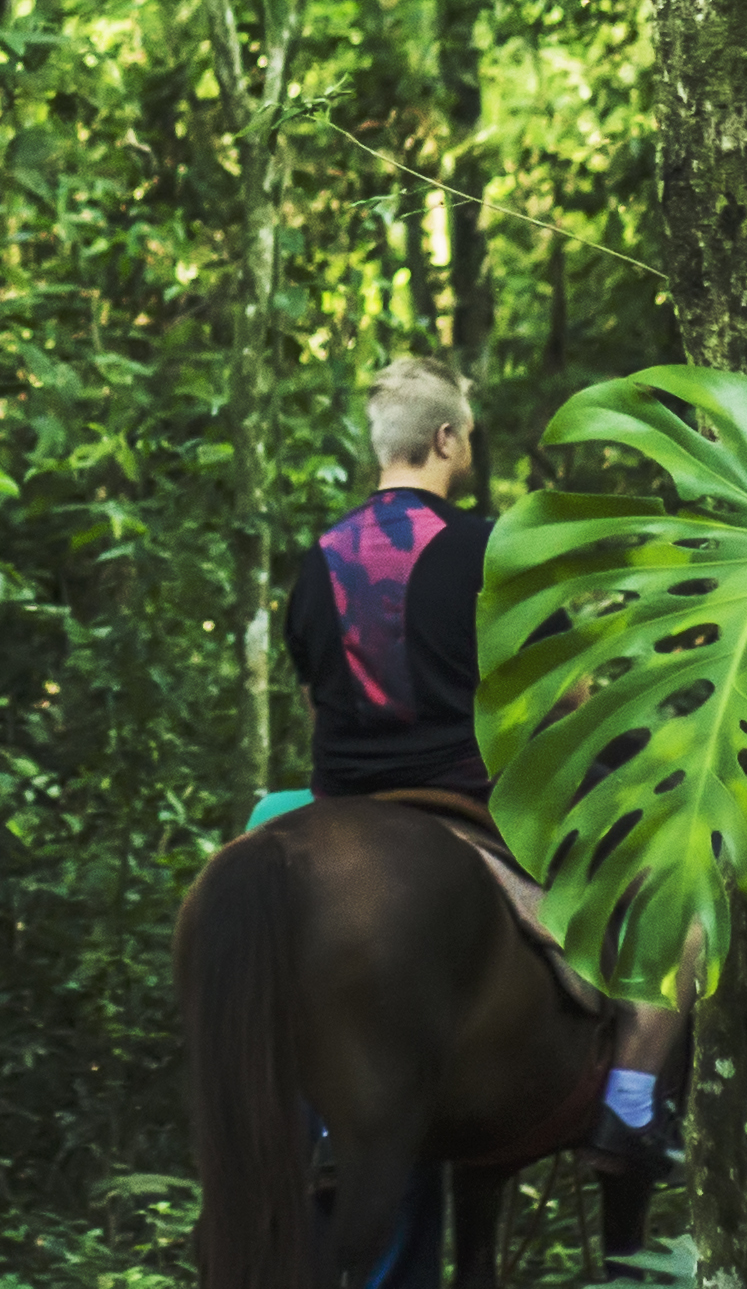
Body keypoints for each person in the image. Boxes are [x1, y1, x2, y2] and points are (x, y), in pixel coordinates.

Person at [281, 356, 685, 1176]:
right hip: (472, 795)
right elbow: (564, 694)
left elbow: (318, 700)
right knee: (669, 896)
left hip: (344, 801)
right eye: (466, 434)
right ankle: (631, 1110)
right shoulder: (487, 550)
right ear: (445, 439)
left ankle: (321, 1122)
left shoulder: (317, 559)